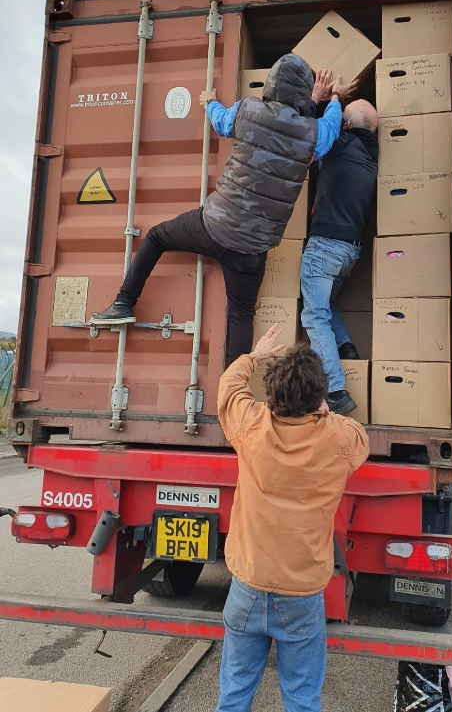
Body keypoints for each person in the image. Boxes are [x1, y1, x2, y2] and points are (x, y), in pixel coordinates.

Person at [90, 54, 356, 364]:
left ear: (270, 85)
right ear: (304, 94)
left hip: (212, 227)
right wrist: (334, 97)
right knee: (241, 315)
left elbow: (220, 121)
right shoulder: (313, 134)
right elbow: (330, 127)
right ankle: (234, 397)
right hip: (253, 249)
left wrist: (208, 102)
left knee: (157, 237)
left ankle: (124, 303)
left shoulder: (247, 110)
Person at [216, 324, 369, 712]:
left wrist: (255, 356)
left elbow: (229, 387)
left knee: (233, 695)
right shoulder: (338, 439)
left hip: (247, 587)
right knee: (302, 699)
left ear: (270, 395)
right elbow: (359, 434)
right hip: (301, 595)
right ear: (320, 396)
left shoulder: (251, 426)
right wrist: (323, 411)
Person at [300, 82, 379, 415]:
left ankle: (335, 390)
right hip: (350, 251)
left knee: (313, 314)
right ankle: (345, 349)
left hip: (325, 246)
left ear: (344, 125)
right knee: (326, 304)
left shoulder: (338, 143)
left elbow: (306, 133)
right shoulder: (370, 151)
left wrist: (327, 96)